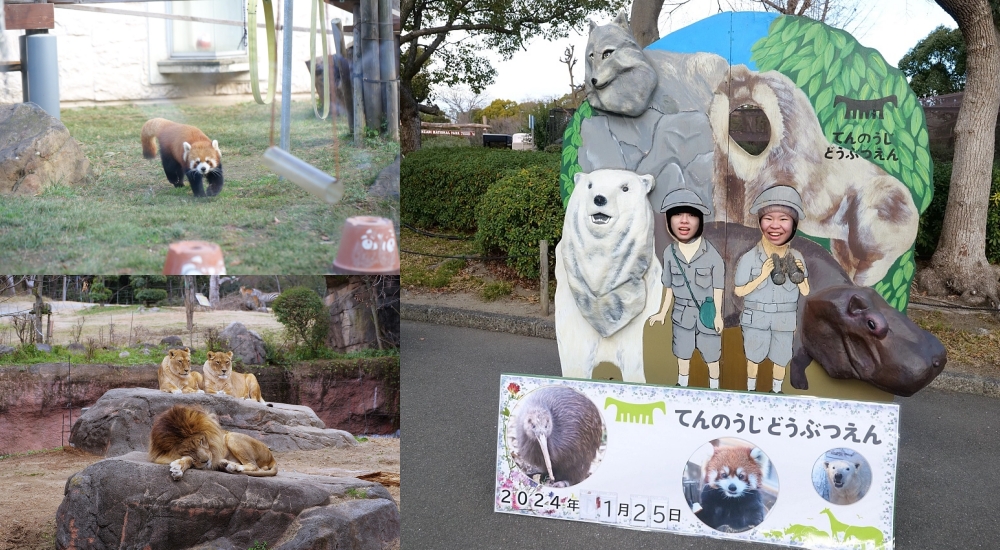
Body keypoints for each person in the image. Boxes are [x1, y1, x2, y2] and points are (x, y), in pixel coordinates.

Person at [734, 186, 810, 393]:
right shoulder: (749, 258)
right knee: (753, 356)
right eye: (768, 218)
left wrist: (800, 277)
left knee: (781, 357)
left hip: (784, 319)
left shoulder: (796, 257)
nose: (775, 225)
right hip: (756, 317)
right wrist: (760, 277)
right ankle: (750, 390)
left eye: (784, 219)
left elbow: (805, 291)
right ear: (760, 222)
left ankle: (776, 391)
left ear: (794, 224)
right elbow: (739, 291)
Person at [648, 189, 724, 388]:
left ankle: (714, 389)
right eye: (677, 214)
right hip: (681, 315)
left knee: (711, 356)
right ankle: (682, 387)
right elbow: (669, 286)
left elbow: (718, 287)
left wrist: (717, 315)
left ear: (699, 220)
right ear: (668, 220)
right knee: (682, 354)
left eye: (691, 215)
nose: (684, 221)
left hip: (706, 314)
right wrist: (662, 312)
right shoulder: (670, 253)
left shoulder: (711, 254)